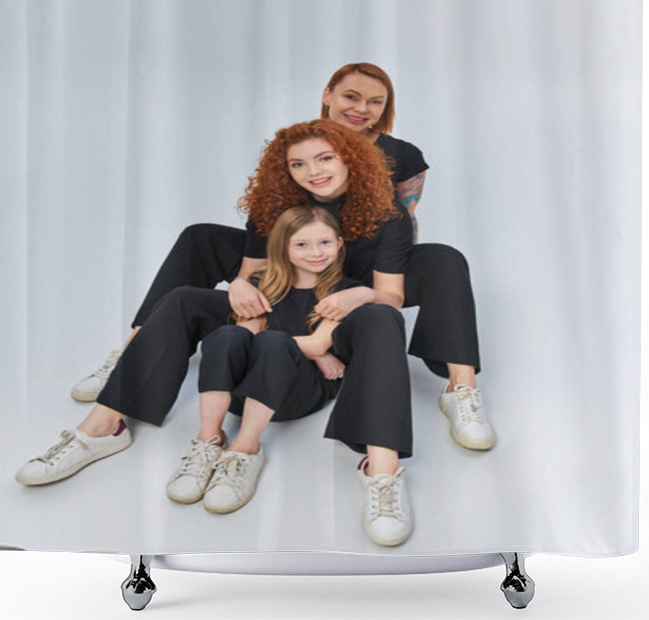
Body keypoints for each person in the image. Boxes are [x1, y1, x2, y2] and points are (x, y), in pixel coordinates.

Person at [16, 119, 493, 491]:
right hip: (283, 297)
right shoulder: (277, 203)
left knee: (402, 295)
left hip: (345, 301)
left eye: (325, 158)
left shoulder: (384, 212)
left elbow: (389, 294)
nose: (313, 172)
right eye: (298, 165)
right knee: (184, 298)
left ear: (349, 157)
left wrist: (361, 295)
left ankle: (418, 429)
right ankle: (104, 424)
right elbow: (258, 276)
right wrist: (243, 288)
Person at [68, 63, 428, 402]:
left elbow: (400, 221)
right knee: (201, 236)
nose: (362, 108)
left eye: (375, 101)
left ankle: (458, 384)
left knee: (436, 259)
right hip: (292, 251)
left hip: (354, 261)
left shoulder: (402, 154)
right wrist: (245, 284)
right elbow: (267, 216)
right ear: (328, 95)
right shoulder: (299, 143)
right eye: (352, 96)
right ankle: (136, 346)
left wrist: (357, 284)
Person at [164, 205, 412, 545]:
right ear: (283, 247)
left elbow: (314, 339)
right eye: (302, 245)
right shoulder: (259, 283)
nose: (315, 253)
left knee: (274, 341)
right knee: (225, 336)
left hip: (299, 392)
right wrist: (320, 353)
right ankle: (208, 442)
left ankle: (245, 451)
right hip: (243, 392)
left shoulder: (344, 291)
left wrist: (315, 347)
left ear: (339, 244)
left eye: (324, 242)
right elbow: (249, 337)